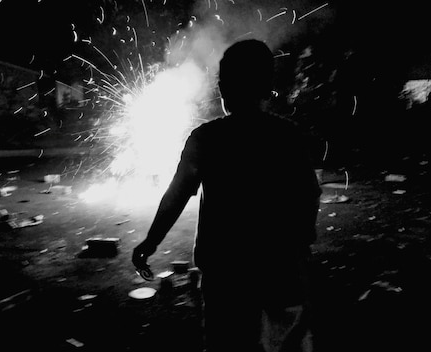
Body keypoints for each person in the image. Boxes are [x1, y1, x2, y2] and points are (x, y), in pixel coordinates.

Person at [132, 39, 322, 351]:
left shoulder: (207, 139)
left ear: (224, 87)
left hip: (226, 279)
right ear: (267, 86)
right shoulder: (288, 136)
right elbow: (309, 196)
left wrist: (149, 243)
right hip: (283, 274)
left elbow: (175, 196)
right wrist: (299, 246)